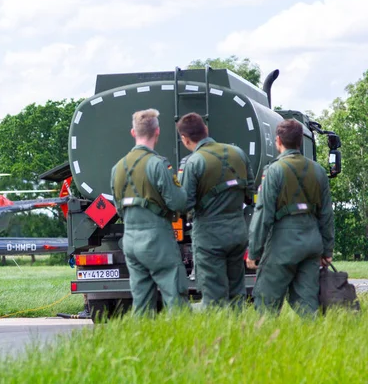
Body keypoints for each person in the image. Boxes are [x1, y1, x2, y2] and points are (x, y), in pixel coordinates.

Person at [246, 119, 334, 316]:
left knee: (265, 302)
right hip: (312, 242)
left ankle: (267, 343)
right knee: (307, 304)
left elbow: (263, 214)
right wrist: (327, 249)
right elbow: (326, 214)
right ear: (299, 142)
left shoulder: (274, 170)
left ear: (278, 141)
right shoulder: (318, 171)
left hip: (282, 243)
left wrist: (254, 251)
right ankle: (312, 343)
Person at [111, 108, 188, 315]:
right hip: (156, 238)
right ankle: (184, 342)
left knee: (141, 301)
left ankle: (142, 342)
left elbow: (118, 207)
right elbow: (178, 203)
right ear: (157, 132)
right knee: (175, 296)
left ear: (133, 132)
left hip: (130, 239)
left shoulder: (117, 167)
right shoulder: (157, 164)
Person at [177, 112, 255, 308]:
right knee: (236, 291)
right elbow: (250, 193)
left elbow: (185, 204)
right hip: (237, 232)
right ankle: (239, 333)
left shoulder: (194, 162)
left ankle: (218, 337)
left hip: (209, 236)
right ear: (206, 130)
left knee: (213, 298)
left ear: (185, 139)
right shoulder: (238, 154)